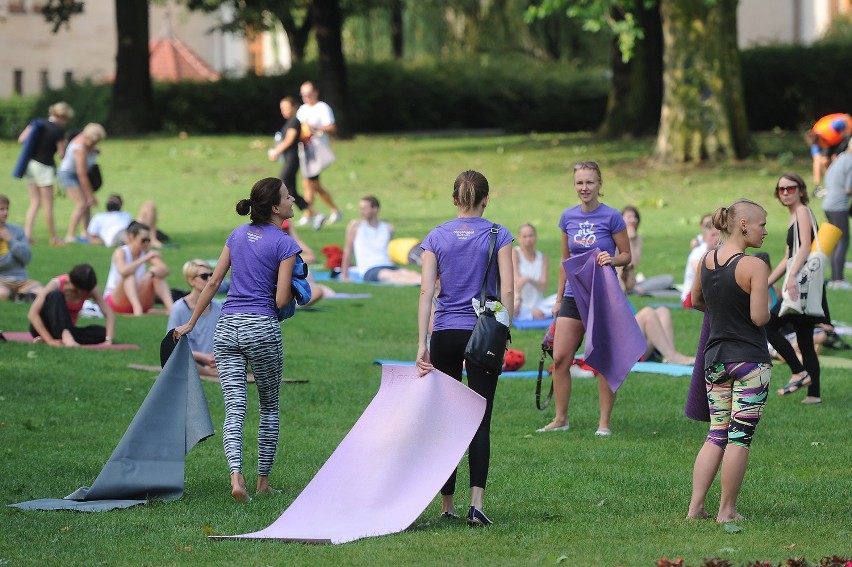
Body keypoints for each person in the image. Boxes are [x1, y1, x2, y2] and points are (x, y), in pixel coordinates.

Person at [174, 178, 300, 503]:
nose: (293, 200)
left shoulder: (237, 234)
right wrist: (298, 291)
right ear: (276, 208)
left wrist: (190, 322)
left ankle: (235, 476)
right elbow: (283, 298)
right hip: (261, 327)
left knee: (234, 405)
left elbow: (214, 281)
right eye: (288, 197)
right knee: (269, 407)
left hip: (227, 326)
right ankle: (262, 483)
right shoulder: (285, 244)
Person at [415, 170, 513, 527]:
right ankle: (476, 506)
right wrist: (503, 330)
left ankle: (446, 506)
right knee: (480, 420)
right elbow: (509, 291)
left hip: (444, 334)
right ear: (486, 199)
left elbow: (427, 292)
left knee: (446, 421)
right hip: (483, 333)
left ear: (454, 199)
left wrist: (421, 343)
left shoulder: (436, 236)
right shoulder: (498, 233)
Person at [686, 198, 771, 523]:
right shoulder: (754, 266)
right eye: (762, 224)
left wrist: (723, 311)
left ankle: (696, 508)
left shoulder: (706, 260)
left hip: (715, 361)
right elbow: (759, 317)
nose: (766, 231)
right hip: (750, 361)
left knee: (716, 432)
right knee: (740, 436)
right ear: (744, 225)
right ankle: (727, 511)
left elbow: (695, 300)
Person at [537, 161, 632, 436]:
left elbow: (627, 255)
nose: (584, 187)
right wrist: (557, 299)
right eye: (580, 183)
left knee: (602, 359)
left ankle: (604, 424)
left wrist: (611, 259)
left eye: (590, 182)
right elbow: (564, 261)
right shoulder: (567, 218)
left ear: (600, 184)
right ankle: (561, 419)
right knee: (561, 357)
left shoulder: (612, 217)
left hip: (603, 295)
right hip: (572, 294)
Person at [765, 173, 826, 405]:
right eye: (781, 189)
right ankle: (814, 395)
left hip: (800, 283)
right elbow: (787, 257)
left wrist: (790, 278)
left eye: (790, 188)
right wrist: (768, 281)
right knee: (804, 339)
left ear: (801, 190)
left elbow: (803, 251)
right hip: (803, 283)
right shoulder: (794, 216)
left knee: (769, 326)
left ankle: (799, 372)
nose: (785, 193)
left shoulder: (801, 212)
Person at [17, 102, 74, 246]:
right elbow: (61, 154)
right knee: (48, 204)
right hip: (45, 167)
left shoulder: (37, 123)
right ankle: (54, 237)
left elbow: (22, 139)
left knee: (35, 202)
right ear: (63, 116)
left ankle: (27, 235)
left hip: (30, 165)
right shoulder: (58, 131)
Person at [340, 195, 421, 285]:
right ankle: (422, 283)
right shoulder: (355, 226)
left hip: (387, 264)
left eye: (364, 209)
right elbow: (348, 250)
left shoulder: (388, 228)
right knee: (389, 275)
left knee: (410, 273)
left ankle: (430, 283)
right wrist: (344, 275)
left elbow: (389, 250)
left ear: (375, 209)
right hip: (369, 268)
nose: (361, 212)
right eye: (360, 209)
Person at [28, 263, 115, 347]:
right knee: (56, 295)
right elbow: (33, 314)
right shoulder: (57, 284)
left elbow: (109, 313)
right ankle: (62, 337)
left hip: (69, 330)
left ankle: (63, 337)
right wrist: (50, 341)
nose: (82, 294)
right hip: (45, 326)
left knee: (102, 333)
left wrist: (108, 339)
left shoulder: (89, 288)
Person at [296, 81, 342, 230]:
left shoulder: (322, 108)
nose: (306, 97)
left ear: (315, 93)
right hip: (305, 151)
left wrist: (314, 127)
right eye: (303, 95)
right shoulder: (302, 109)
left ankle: (316, 212)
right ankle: (312, 213)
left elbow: (332, 127)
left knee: (311, 184)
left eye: (308, 94)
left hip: (318, 151)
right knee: (309, 184)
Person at [103, 221, 173, 315]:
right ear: (132, 237)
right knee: (129, 274)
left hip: (138, 295)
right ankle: (137, 310)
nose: (146, 243)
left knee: (157, 274)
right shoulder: (121, 252)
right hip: (117, 299)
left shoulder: (147, 252)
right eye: (143, 240)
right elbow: (123, 271)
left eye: (148, 240)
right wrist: (144, 259)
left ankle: (171, 309)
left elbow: (165, 270)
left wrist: (151, 273)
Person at [167, 260, 223, 378]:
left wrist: (215, 356)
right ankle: (208, 372)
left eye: (211, 275)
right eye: (204, 276)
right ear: (191, 280)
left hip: (216, 358)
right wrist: (203, 357)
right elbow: (172, 344)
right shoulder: (179, 308)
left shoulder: (218, 306)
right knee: (178, 358)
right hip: (190, 358)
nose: (209, 279)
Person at [58, 123, 106, 243]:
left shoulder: (85, 141)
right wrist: (91, 195)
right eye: (94, 142)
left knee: (87, 205)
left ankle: (86, 232)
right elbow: (82, 174)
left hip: (76, 175)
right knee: (82, 204)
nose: (95, 145)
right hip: (68, 174)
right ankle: (70, 235)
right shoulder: (80, 148)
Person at [269, 96, 313, 217]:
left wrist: (276, 151)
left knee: (281, 185)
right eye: (282, 108)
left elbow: (289, 140)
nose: (284, 111)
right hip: (289, 159)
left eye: (287, 108)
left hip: (292, 159)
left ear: (294, 107)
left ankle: (279, 215)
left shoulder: (294, 122)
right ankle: (315, 214)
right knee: (291, 191)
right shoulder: (290, 122)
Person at [0, 194, 42, 301]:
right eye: (1, 209)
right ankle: (19, 297)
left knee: (42, 293)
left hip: (22, 279)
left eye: (7, 209)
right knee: (2, 294)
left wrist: (10, 240)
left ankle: (19, 295)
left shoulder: (17, 231)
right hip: (2, 281)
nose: (6, 212)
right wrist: (15, 258)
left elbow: (26, 257)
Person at [822, 146, 852, 289]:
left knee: (835, 241)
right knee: (843, 240)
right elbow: (848, 188)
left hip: (828, 204)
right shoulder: (851, 161)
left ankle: (835, 278)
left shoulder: (840, 158)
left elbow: (827, 176)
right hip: (838, 206)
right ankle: (838, 280)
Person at [86, 194, 163, 248]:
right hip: (116, 235)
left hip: (129, 229)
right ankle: (144, 242)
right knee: (124, 234)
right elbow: (92, 238)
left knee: (149, 204)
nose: (114, 202)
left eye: (116, 200)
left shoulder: (125, 214)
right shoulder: (99, 216)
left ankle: (151, 238)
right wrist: (103, 241)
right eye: (112, 200)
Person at [512, 223, 550, 320]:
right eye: (525, 236)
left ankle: (534, 313)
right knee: (511, 308)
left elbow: (543, 287)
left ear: (535, 237)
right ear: (519, 238)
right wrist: (518, 301)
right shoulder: (515, 253)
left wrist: (529, 279)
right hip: (519, 302)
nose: (528, 239)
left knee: (561, 299)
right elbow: (517, 282)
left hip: (538, 303)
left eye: (531, 236)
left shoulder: (542, 258)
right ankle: (533, 314)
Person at [681, 214, 720, 308]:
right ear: (705, 238)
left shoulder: (722, 252)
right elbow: (704, 276)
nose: (717, 238)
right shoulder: (697, 253)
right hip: (692, 296)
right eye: (713, 235)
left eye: (718, 235)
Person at [806, 113, 851, 187]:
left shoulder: (833, 127)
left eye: (819, 144)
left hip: (843, 135)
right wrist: (816, 184)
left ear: (820, 137)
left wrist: (846, 134)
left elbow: (846, 117)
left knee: (836, 158)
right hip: (831, 140)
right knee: (824, 161)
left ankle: (843, 182)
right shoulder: (815, 141)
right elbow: (816, 161)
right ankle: (831, 182)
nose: (819, 146)